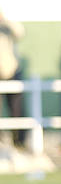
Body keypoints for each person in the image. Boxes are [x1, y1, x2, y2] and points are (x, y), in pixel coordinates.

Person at [0, 8, 26, 147]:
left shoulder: (6, 26)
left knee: (16, 109)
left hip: (10, 72)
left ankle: (18, 141)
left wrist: (4, 20)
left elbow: (20, 32)